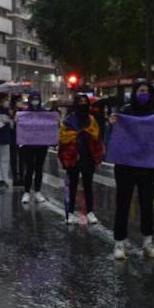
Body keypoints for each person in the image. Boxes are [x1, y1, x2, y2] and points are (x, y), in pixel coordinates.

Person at [106, 80, 154, 258]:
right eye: (141, 90)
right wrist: (113, 122)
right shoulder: (125, 112)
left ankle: (147, 242)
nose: (144, 93)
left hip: (147, 167)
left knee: (147, 204)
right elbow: (114, 136)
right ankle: (119, 243)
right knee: (123, 204)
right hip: (125, 167)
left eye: (147, 91)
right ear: (134, 92)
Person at [59, 93, 104, 223]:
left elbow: (96, 138)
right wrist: (76, 135)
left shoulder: (92, 120)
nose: (83, 103)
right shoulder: (68, 120)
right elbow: (63, 137)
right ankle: (70, 212)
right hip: (73, 157)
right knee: (72, 185)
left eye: (85, 101)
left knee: (88, 185)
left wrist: (98, 157)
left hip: (87, 157)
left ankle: (90, 212)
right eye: (81, 101)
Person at [18, 89, 50, 205]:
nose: (35, 101)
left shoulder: (45, 113)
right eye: (33, 99)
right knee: (29, 168)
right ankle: (26, 192)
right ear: (30, 100)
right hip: (28, 145)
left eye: (37, 99)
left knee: (39, 168)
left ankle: (37, 191)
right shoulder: (25, 113)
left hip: (41, 145)